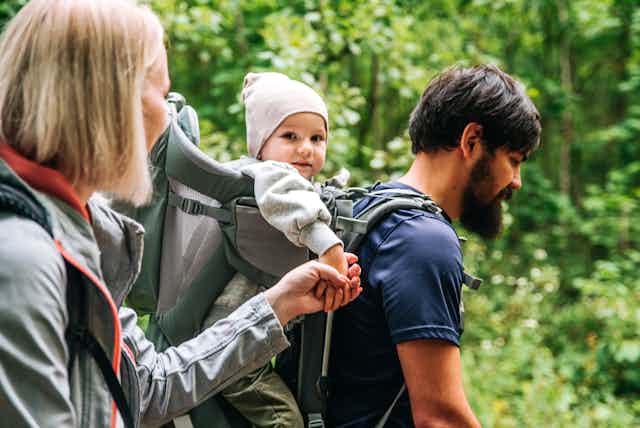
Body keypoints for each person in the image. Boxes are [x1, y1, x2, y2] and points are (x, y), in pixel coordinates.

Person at [0, 1, 360, 427]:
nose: (169, 116)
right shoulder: (22, 260)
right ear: (108, 99)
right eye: (161, 92)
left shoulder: (75, 231)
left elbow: (148, 386)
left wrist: (277, 304)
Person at [328, 65, 541, 427]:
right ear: (471, 140)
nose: (516, 182)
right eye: (514, 161)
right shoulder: (423, 241)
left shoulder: (369, 210)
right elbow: (440, 418)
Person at [200, 71, 348, 428]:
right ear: (261, 143)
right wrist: (328, 245)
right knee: (286, 420)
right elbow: (293, 203)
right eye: (290, 136)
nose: (306, 148)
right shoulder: (270, 175)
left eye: (317, 138)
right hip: (236, 345)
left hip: (249, 338)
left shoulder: (283, 179)